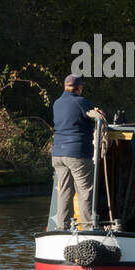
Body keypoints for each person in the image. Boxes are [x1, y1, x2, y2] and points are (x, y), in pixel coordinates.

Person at [51, 74, 105, 230]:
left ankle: (62, 226)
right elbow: (98, 117)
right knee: (85, 191)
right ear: (79, 88)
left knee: (65, 191)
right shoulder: (81, 102)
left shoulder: (57, 103)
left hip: (58, 154)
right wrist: (99, 113)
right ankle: (89, 227)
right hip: (77, 153)